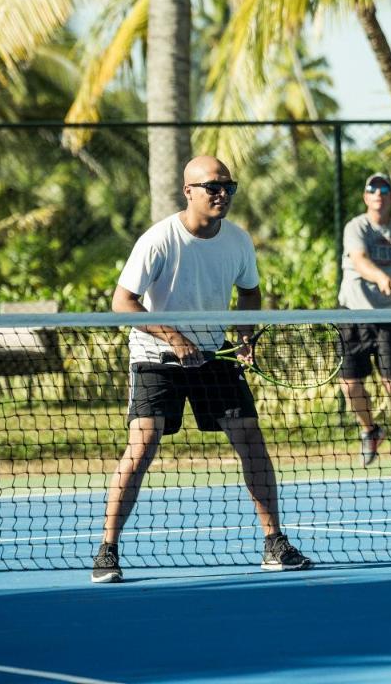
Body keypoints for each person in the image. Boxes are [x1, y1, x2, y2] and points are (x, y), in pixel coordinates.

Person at [91, 155, 312, 583]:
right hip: (156, 356)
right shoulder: (158, 240)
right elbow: (123, 303)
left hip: (214, 355)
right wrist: (174, 339)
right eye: (212, 187)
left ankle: (274, 543)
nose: (222, 194)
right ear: (187, 191)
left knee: (251, 440)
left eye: (228, 187)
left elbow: (250, 293)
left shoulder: (238, 241)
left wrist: (245, 335)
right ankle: (107, 549)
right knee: (143, 446)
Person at [337, 172, 391, 477]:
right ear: (366, 197)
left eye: (383, 188)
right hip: (352, 315)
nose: (377, 193)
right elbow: (360, 260)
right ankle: (371, 430)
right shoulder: (355, 227)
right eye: (371, 189)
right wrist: (380, 276)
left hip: (389, 320)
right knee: (350, 386)